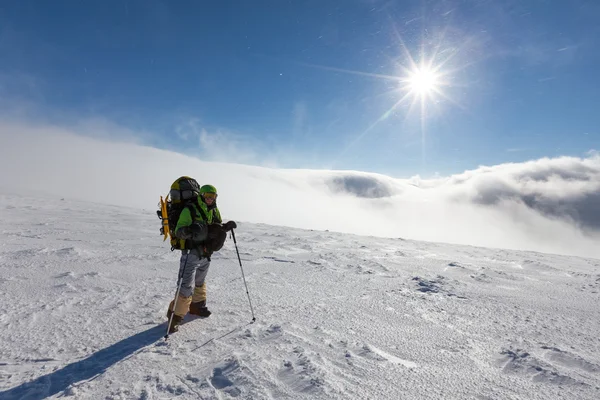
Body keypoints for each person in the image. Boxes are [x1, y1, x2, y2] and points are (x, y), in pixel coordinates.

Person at [166, 184, 237, 333]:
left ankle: (197, 306)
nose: (210, 199)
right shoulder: (190, 209)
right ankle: (175, 317)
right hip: (191, 252)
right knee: (185, 285)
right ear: (202, 195)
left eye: (213, 196)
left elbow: (215, 228)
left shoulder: (214, 210)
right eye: (207, 196)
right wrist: (190, 230)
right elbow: (179, 231)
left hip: (206, 253)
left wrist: (225, 227)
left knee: (199, 282)